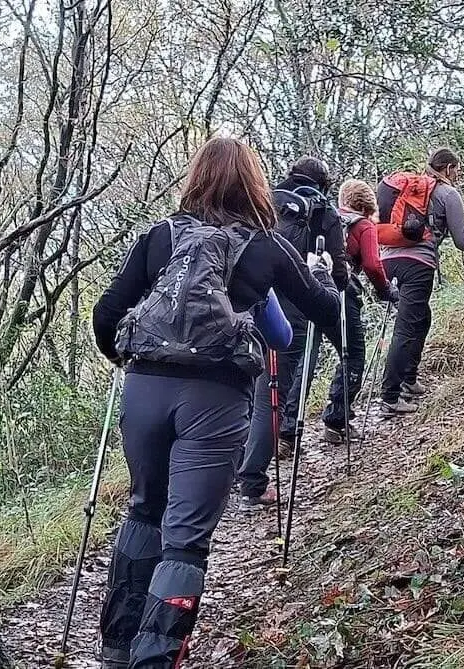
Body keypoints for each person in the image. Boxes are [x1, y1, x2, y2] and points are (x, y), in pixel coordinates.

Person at [90, 137, 341, 669]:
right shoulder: (269, 246)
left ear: (196, 178)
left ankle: (116, 651)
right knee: (185, 541)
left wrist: (134, 362)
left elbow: (107, 312)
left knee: (143, 513)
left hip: (144, 389)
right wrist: (328, 283)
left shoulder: (161, 236)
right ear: (254, 183)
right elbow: (324, 313)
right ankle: (153, 661)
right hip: (216, 397)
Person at [237, 157, 350, 510]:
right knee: (271, 397)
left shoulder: (264, 200)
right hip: (291, 313)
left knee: (242, 390)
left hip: (246, 304)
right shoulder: (324, 212)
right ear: (324, 182)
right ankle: (252, 484)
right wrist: (329, 278)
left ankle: (228, 471)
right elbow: (339, 270)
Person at [376, 148, 464, 416]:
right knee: (407, 326)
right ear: (449, 168)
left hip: (387, 260)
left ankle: (409, 377)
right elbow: (463, 241)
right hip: (418, 264)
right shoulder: (446, 193)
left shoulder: (411, 190)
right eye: (457, 170)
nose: (459, 175)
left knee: (421, 318)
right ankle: (391, 396)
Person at [319, 179, 400, 443]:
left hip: (312, 288)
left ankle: (286, 430)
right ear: (367, 203)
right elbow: (373, 266)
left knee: (301, 359)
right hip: (342, 291)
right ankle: (337, 419)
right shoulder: (363, 225)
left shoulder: (327, 217)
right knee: (353, 353)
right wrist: (386, 292)